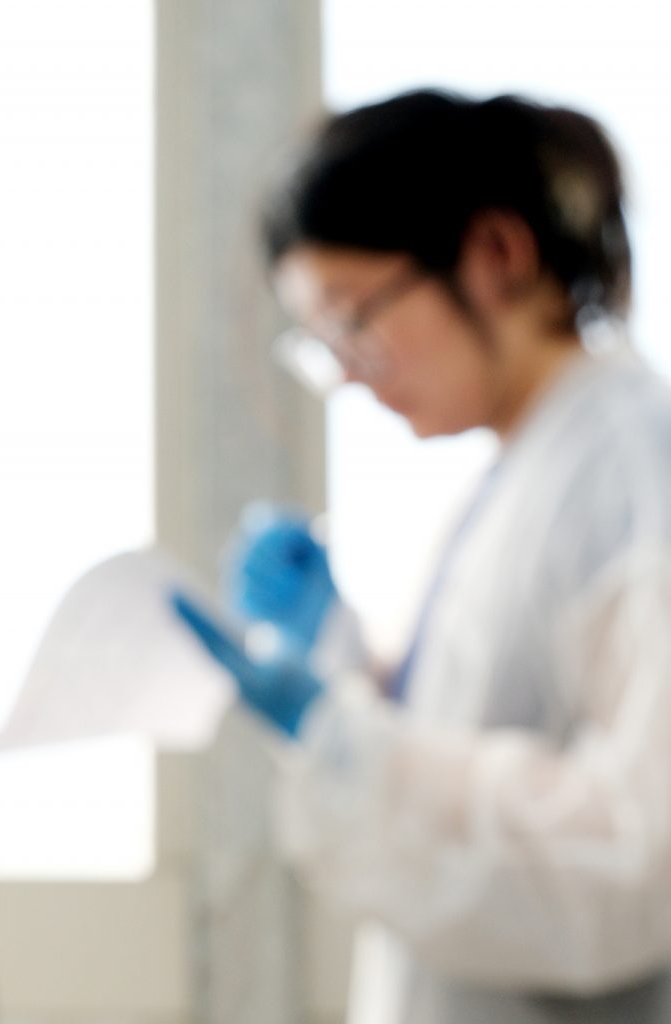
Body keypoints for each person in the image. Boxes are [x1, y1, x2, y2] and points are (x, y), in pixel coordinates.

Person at [174, 89, 671, 1023]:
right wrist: (341, 662)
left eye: (355, 318)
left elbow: (642, 853)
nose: (349, 371)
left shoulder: (637, 468)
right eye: (322, 342)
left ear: (496, 257)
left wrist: (344, 737)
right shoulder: (524, 469)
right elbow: (490, 736)